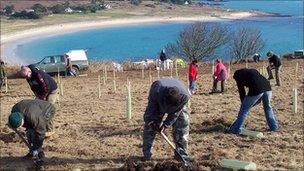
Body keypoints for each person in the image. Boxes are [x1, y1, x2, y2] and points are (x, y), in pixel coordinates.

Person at [143, 77, 190, 162]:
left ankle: (181, 154)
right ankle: (147, 155)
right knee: (149, 128)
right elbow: (151, 107)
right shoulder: (157, 89)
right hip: (158, 103)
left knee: (182, 125)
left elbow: (175, 113)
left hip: (178, 106)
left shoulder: (184, 97)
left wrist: (166, 124)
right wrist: (151, 121)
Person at [228, 68, 279, 134]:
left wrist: (244, 103)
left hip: (257, 89)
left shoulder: (238, 76)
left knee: (244, 109)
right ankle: (274, 127)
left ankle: (236, 129)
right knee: (268, 107)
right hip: (267, 87)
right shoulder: (252, 71)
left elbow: (242, 91)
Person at [7, 99, 56, 166]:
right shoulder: (14, 111)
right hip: (33, 108)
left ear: (22, 120)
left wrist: (36, 146)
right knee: (29, 133)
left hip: (47, 109)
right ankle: (32, 151)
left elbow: (41, 132)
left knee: (34, 133)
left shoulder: (34, 117)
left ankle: (40, 154)